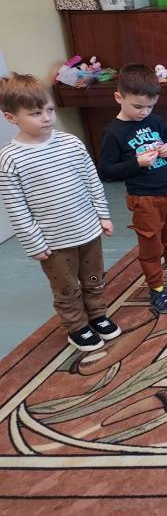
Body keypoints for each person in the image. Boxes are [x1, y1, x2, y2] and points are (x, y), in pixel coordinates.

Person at [0, 73, 118, 352]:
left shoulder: (71, 143)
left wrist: (103, 215)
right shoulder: (10, 159)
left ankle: (97, 316)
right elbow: (17, 207)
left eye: (50, 110)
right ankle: (77, 327)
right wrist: (34, 243)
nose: (46, 118)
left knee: (94, 278)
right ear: (11, 118)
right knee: (66, 287)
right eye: (35, 113)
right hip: (54, 241)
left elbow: (92, 181)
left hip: (88, 229)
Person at [100, 64, 167, 315]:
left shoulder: (156, 121)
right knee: (151, 246)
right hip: (144, 198)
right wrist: (136, 163)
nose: (144, 112)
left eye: (150, 106)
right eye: (138, 106)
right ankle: (157, 289)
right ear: (119, 97)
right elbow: (106, 170)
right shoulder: (113, 132)